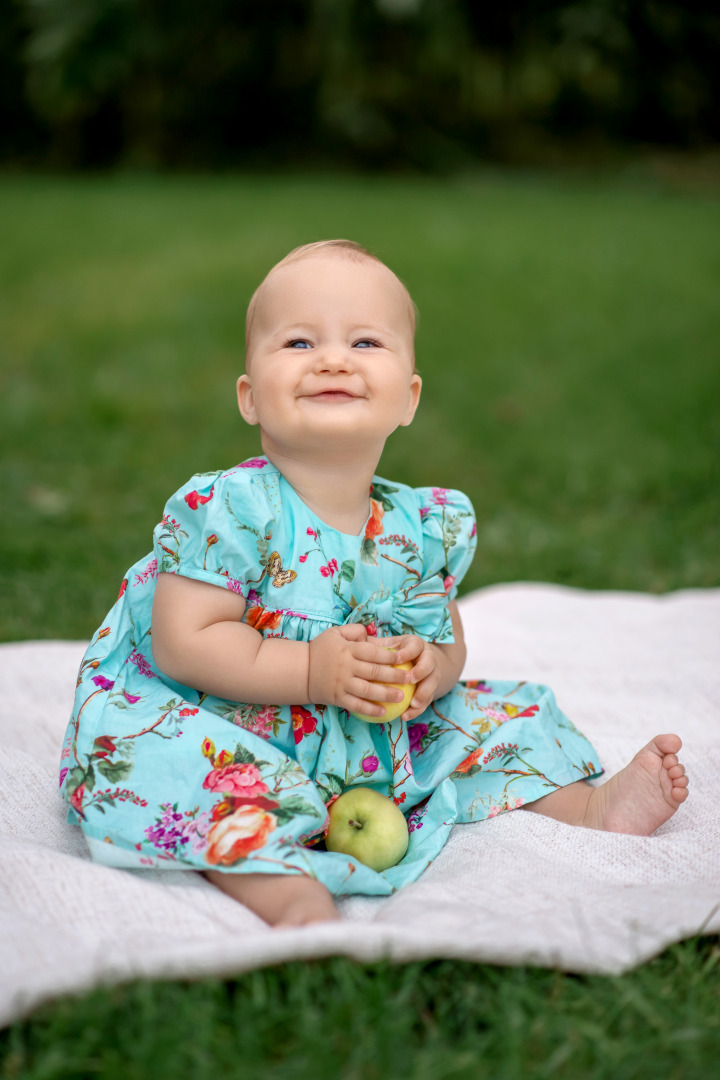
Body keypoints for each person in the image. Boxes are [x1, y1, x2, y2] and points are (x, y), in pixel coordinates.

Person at [60, 240, 689, 928]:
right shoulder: (231, 511)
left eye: (365, 341)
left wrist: (431, 670)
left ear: (409, 397)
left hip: (361, 728)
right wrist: (310, 670)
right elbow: (184, 642)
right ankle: (285, 889)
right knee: (187, 774)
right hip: (226, 715)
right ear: (249, 397)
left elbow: (444, 638)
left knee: (498, 717)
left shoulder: (422, 526)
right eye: (299, 341)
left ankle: (587, 807)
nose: (333, 359)